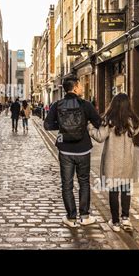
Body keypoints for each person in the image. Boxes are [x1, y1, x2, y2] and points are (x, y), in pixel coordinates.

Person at [44, 77, 102, 228]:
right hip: (83, 150)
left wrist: (63, 127)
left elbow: (47, 125)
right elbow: (98, 122)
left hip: (65, 150)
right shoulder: (85, 105)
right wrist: (85, 124)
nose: (82, 87)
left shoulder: (57, 105)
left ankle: (71, 218)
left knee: (67, 184)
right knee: (84, 182)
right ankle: (85, 216)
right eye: (80, 85)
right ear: (75, 88)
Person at [87, 93, 139, 232]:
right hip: (127, 161)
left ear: (114, 104)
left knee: (114, 191)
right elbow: (135, 133)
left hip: (112, 162)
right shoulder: (133, 121)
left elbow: (99, 137)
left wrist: (90, 129)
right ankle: (125, 219)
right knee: (126, 191)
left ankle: (115, 222)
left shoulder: (109, 121)